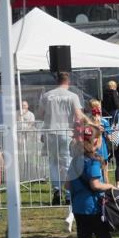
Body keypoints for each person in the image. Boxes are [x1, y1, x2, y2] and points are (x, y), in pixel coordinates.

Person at [67, 122, 116, 238]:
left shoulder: (75, 160)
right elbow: (95, 185)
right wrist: (110, 186)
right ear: (95, 140)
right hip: (93, 208)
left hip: (78, 209)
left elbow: (67, 185)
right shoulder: (93, 161)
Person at [39, 72, 83, 205]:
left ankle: (57, 191)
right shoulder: (73, 96)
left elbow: (40, 115)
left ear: (56, 81)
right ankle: (69, 194)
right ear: (68, 81)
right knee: (67, 163)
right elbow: (79, 116)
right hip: (66, 132)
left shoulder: (46, 96)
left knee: (53, 163)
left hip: (50, 132)